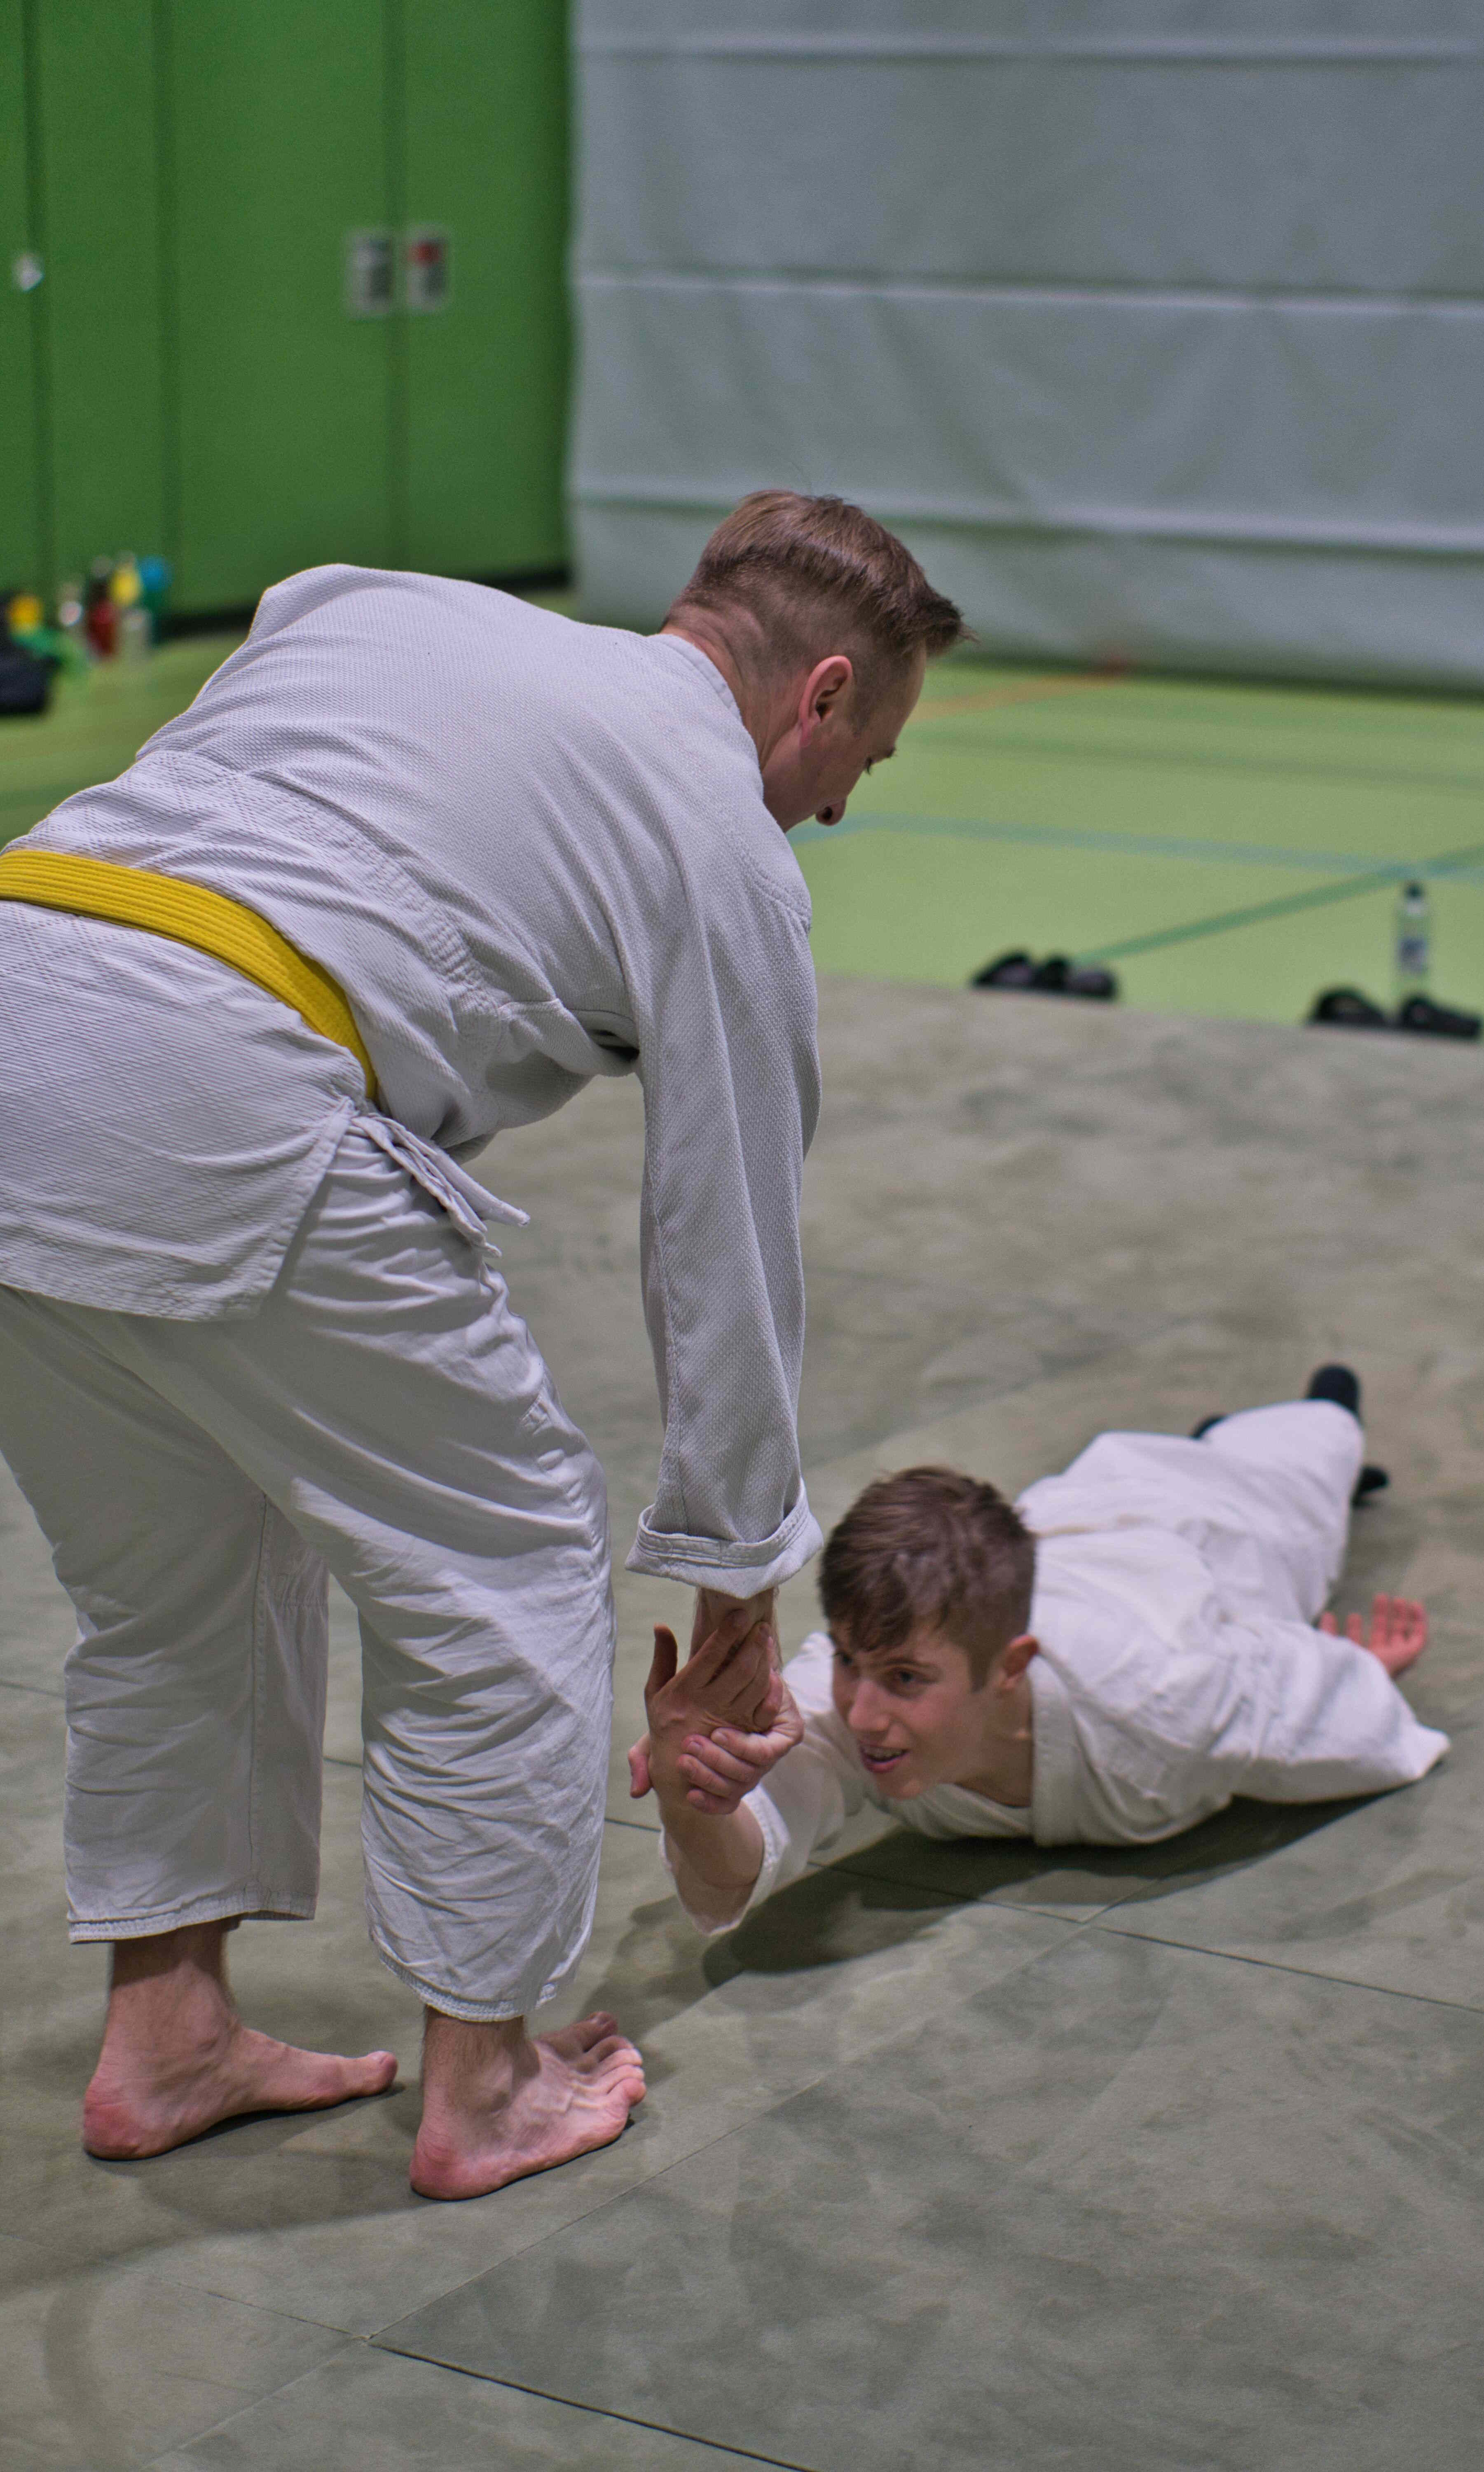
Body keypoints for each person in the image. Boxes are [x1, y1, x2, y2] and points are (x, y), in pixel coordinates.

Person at [0, 491, 964, 2198]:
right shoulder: (720, 839)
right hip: (223, 1070)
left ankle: (169, 2038)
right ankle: (489, 2085)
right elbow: (724, 1231)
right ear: (822, 694)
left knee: (176, 1582)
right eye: (862, 761)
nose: (835, 806)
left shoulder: (370, 603)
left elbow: (279, 721)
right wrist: (737, 1578)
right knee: (505, 1565)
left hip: (24, 985)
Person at [630, 1370, 1448, 1934]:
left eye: (906, 1679)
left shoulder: (1162, 1698)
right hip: (1064, 1521)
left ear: (1010, 1669)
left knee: (1312, 1465)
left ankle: (1295, 1420)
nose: (863, 1714)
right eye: (849, 1659)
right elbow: (737, 1866)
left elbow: (1291, 1693)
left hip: (1197, 1540)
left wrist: (1357, 1675)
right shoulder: (846, 1700)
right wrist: (686, 1792)